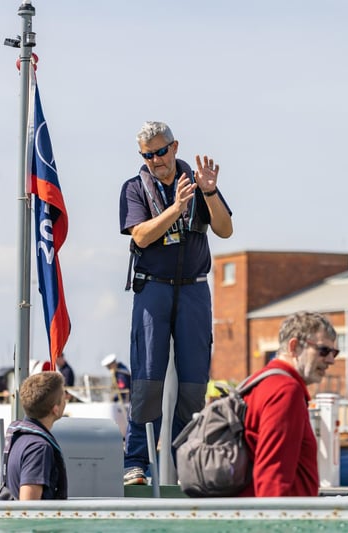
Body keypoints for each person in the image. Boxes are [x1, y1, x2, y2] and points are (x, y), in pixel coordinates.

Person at [119, 121, 233, 485]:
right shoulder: (134, 188)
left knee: (193, 384)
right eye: (147, 155)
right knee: (147, 379)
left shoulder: (198, 183)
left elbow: (225, 229)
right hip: (154, 288)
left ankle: (185, 463)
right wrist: (176, 208)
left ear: (175, 147)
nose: (156, 160)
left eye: (160, 152)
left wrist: (209, 193)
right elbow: (141, 234)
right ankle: (135, 463)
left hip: (194, 290)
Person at [238, 311, 338, 497]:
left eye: (334, 352)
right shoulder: (286, 391)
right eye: (323, 350)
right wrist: (278, 523)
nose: (331, 360)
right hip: (281, 519)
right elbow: (273, 476)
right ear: (294, 347)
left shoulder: (257, 383)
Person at [0, 371, 67, 500]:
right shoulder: (38, 448)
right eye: (63, 395)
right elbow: (28, 509)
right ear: (55, 409)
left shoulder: (19, 437)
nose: (66, 399)